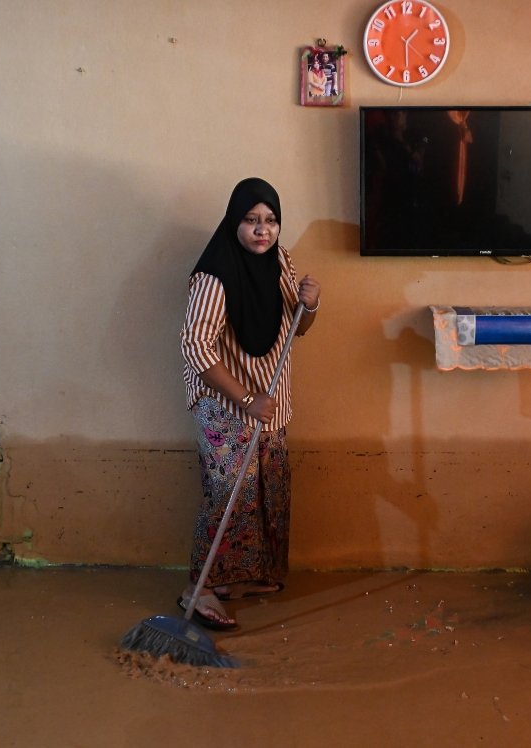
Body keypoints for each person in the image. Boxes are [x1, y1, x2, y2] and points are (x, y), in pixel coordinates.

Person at [178, 178, 321, 629]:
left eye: (271, 220)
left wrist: (311, 306)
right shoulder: (214, 276)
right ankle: (198, 589)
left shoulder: (280, 262)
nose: (263, 230)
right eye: (251, 220)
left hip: (270, 403)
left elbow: (298, 328)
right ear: (233, 222)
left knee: (267, 491)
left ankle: (240, 578)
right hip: (225, 404)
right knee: (229, 494)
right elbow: (196, 348)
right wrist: (246, 399)